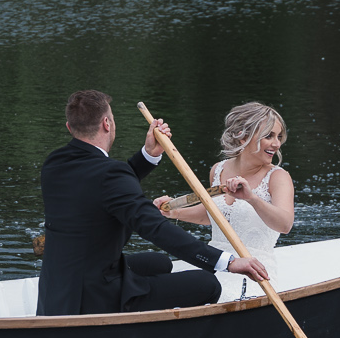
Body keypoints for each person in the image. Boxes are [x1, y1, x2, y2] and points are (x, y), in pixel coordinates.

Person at [37, 89, 270, 317]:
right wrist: (226, 262)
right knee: (207, 283)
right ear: (107, 123)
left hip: (57, 289)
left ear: (70, 127)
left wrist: (149, 154)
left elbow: (103, 185)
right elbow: (154, 227)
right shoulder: (109, 175)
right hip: (94, 297)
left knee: (158, 262)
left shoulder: (55, 164)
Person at [156, 101, 294, 283]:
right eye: (269, 136)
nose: (276, 144)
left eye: (279, 136)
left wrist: (251, 198)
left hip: (254, 270)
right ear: (243, 137)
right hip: (215, 262)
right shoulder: (218, 169)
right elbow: (212, 214)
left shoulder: (278, 177)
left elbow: (285, 225)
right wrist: (172, 212)